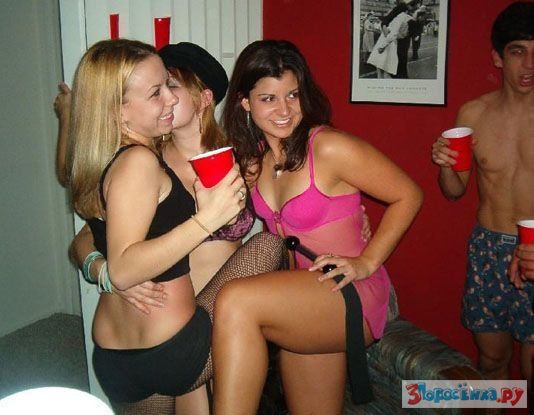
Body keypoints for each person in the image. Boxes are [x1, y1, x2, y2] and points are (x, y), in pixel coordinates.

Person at [65, 38, 287, 415]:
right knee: (268, 246)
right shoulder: (141, 161)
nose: (169, 98)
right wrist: (206, 220)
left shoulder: (109, 157)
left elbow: (104, 242)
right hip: (174, 348)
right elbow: (123, 267)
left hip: (117, 357)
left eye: (170, 86)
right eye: (157, 91)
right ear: (118, 109)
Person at [212, 39, 423, 414]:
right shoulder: (255, 161)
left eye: (292, 95)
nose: (284, 110)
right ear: (244, 102)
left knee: (235, 300)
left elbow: (409, 194)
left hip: (349, 291)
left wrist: (366, 262)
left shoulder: (327, 147)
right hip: (304, 297)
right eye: (268, 98)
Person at [431, 1, 534, 397]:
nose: (528, 65)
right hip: (489, 247)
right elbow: (454, 190)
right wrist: (445, 164)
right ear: (497, 57)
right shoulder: (474, 114)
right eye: (517, 51)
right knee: (491, 359)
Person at [366, 3, 415, 78]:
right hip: (390, 44)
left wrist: (382, 46)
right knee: (385, 68)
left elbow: (392, 34)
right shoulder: (403, 18)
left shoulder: (398, 18)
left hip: (387, 44)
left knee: (382, 68)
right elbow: (395, 33)